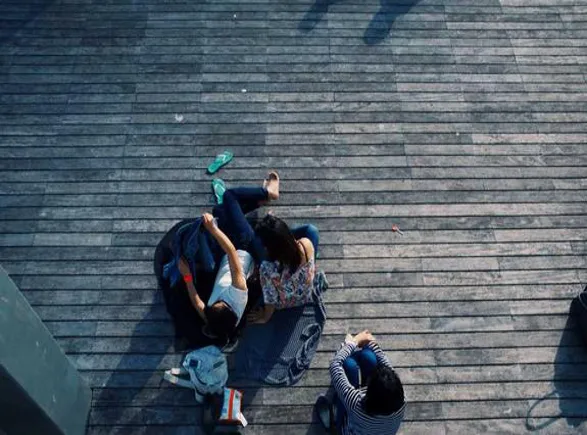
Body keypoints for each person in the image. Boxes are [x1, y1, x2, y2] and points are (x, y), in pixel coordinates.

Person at [177, 172, 281, 342]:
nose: (215, 302)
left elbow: (197, 302)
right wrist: (213, 230)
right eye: (220, 303)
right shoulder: (237, 293)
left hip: (224, 257)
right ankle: (268, 193)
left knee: (219, 211)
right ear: (229, 309)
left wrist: (187, 275)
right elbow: (232, 251)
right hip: (245, 248)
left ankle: (257, 202)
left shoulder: (213, 317)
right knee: (229, 196)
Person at [315, 330, 405, 434]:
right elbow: (387, 366)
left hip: (350, 427)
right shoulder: (401, 401)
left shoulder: (355, 404)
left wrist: (351, 343)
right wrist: (370, 343)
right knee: (369, 357)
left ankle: (335, 424)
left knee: (349, 366)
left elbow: (335, 365)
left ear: (369, 392)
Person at [246, 214, 319, 324]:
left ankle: (272, 233)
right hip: (305, 295)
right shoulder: (305, 244)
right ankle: (278, 232)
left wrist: (265, 317)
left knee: (255, 239)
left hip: (285, 302)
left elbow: (270, 300)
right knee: (311, 230)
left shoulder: (267, 268)